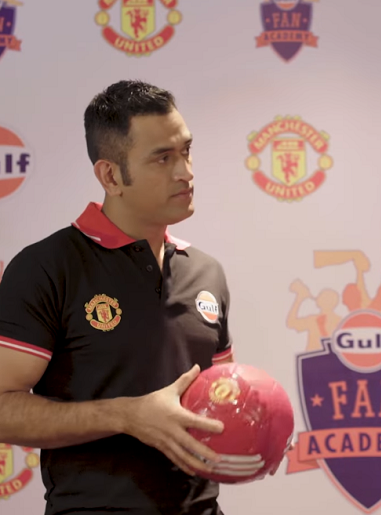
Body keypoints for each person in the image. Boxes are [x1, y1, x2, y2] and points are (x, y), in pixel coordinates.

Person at [0, 80, 275, 515]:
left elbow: (220, 397)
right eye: (163, 158)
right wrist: (125, 415)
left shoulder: (207, 272)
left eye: (186, 151)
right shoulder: (48, 267)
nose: (185, 172)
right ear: (111, 176)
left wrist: (263, 429)